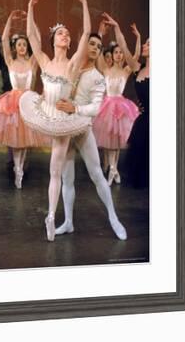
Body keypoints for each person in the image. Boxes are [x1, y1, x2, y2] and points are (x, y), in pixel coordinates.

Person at [19, 0, 92, 241]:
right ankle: (53, 215)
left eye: (67, 34)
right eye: (61, 33)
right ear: (54, 40)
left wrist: (83, 3)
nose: (65, 35)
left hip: (61, 120)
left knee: (55, 170)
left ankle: (51, 215)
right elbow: (30, 35)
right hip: (44, 113)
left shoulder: (72, 65)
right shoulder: (45, 61)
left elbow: (87, 34)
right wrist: (30, 6)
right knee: (57, 170)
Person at [54, 32, 127, 240]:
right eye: (91, 44)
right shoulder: (71, 67)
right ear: (83, 45)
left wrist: (73, 107)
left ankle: (113, 218)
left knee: (96, 174)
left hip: (83, 128)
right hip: (65, 128)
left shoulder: (97, 77)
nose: (95, 48)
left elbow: (95, 108)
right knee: (67, 178)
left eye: (99, 45)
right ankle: (68, 222)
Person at [0, 10, 46, 189]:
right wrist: (9, 19)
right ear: (15, 47)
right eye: (19, 44)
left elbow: (38, 41)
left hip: (28, 102)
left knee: (24, 142)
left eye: (24, 44)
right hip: (13, 104)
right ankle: (17, 168)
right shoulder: (10, 61)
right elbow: (4, 40)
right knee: (16, 140)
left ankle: (21, 167)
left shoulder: (32, 63)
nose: (22, 47)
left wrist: (32, 21)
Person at [93, 16, 142, 185]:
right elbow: (98, 52)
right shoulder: (105, 69)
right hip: (108, 106)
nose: (120, 55)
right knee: (109, 139)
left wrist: (138, 38)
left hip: (121, 106)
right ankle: (112, 169)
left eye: (121, 52)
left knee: (117, 140)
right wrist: (100, 33)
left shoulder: (126, 70)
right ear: (112, 55)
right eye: (117, 52)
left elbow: (135, 56)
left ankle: (114, 169)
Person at [126, 31, 150, 189]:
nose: (144, 46)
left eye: (148, 44)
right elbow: (124, 48)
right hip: (143, 120)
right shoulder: (138, 68)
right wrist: (117, 29)